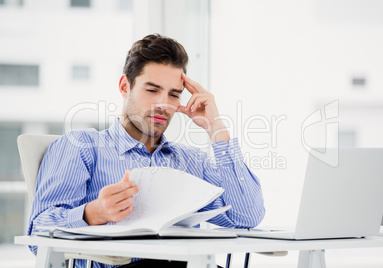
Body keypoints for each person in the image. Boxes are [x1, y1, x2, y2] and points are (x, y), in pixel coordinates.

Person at [28, 34, 265, 268]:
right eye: (152, 90)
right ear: (125, 86)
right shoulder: (82, 147)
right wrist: (93, 213)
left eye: (174, 94)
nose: (163, 104)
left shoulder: (190, 161)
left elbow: (245, 218)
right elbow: (37, 235)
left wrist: (218, 132)